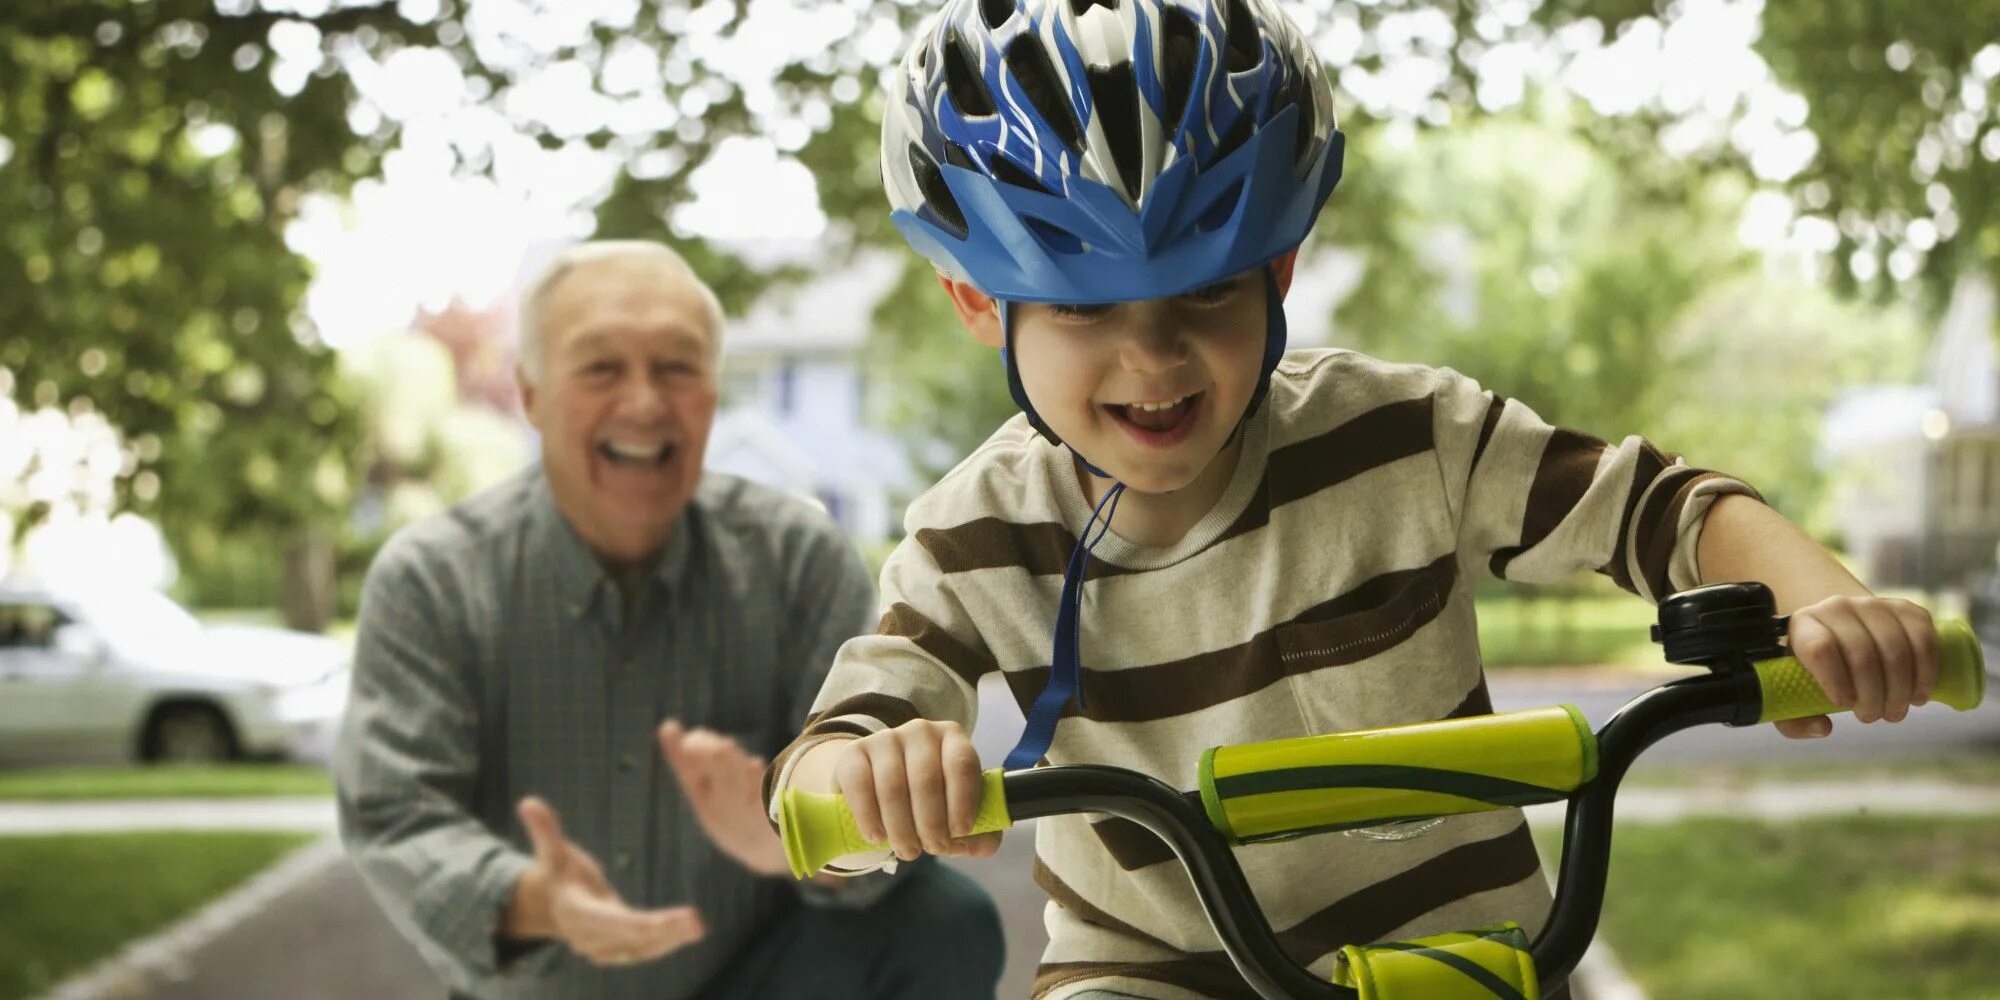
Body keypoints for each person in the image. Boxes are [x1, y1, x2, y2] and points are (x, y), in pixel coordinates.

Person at [761, 3, 1943, 999]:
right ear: (979, 303)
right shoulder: (971, 539)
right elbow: (834, 752)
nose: (1154, 358)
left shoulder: (1405, 436)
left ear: (1277, 268)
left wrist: (1825, 602)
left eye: (1208, 288)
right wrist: (867, 779)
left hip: (1464, 957)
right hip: (1153, 975)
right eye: (1080, 308)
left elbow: (1659, 506)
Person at [335, 241, 1003, 1000]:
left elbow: (866, 841)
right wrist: (528, 900)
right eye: (601, 367)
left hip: (755, 976)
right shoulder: (433, 578)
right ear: (531, 394)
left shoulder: (798, 558)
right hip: (540, 986)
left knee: (944, 921)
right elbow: (396, 814)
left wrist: (796, 835)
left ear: (713, 395)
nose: (646, 401)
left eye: (678, 367)